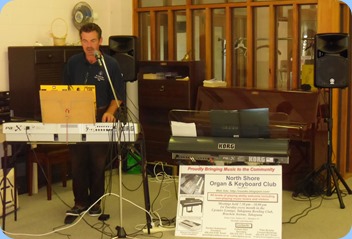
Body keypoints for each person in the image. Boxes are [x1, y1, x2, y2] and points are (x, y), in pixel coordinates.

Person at [63, 23, 125, 217]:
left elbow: (118, 95)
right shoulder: (72, 63)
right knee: (78, 162)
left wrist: (111, 112)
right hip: (76, 117)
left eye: (93, 40)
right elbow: (64, 92)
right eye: (84, 40)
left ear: (100, 41)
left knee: (97, 163)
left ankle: (96, 203)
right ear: (80, 41)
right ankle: (80, 202)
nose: (89, 45)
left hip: (100, 116)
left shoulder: (110, 64)